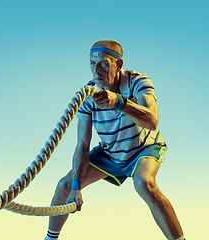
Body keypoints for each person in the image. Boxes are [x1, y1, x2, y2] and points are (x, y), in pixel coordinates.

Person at [44, 40, 185, 240]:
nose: (96, 70)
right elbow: (82, 144)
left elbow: (152, 121)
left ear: (119, 65)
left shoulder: (138, 82)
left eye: (103, 64)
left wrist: (119, 102)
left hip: (143, 149)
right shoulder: (88, 95)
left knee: (144, 183)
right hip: (110, 153)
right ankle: (50, 239)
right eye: (92, 64)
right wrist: (76, 187)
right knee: (64, 186)